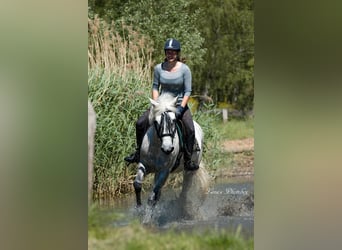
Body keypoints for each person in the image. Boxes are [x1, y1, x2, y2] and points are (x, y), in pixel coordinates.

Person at [124, 38, 199, 171]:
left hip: (178, 104)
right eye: (168, 52)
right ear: (165, 53)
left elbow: (188, 91)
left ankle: (188, 159)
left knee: (190, 128)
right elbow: (155, 87)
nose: (170, 54)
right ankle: (138, 153)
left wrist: (181, 108)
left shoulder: (185, 70)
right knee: (140, 122)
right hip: (162, 104)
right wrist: (156, 104)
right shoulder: (159, 68)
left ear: (178, 53)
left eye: (173, 52)